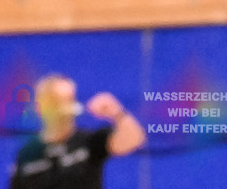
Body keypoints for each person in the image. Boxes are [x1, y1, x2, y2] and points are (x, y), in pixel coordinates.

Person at [9, 73, 146, 188]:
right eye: (55, 102)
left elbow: (134, 139)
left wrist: (116, 113)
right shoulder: (27, 154)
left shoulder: (89, 141)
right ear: (40, 107)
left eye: (68, 99)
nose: (62, 107)